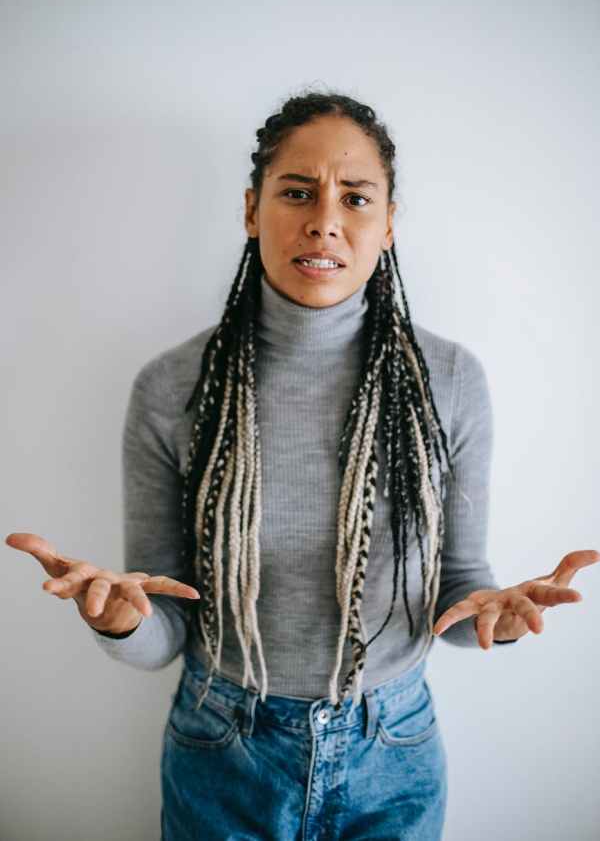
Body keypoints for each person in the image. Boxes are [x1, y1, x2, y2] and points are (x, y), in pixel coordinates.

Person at [7, 90, 599, 841]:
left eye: (355, 197)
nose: (324, 219)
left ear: (388, 225)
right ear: (251, 210)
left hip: (393, 752)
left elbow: (457, 596)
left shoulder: (448, 382)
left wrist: (498, 617)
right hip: (222, 750)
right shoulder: (173, 388)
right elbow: (167, 625)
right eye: (296, 192)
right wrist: (120, 621)